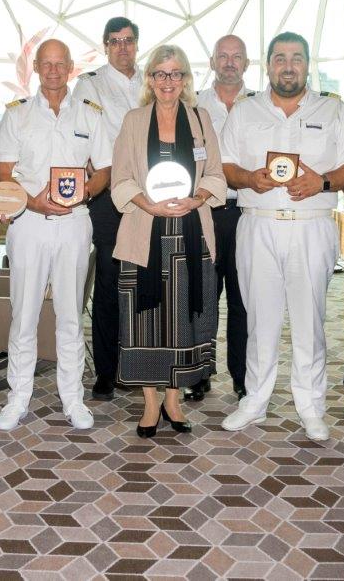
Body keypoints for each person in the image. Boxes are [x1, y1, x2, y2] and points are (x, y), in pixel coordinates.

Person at [219, 31, 344, 441]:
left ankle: (311, 405)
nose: (288, 65)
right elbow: (225, 165)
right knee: (259, 319)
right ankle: (255, 401)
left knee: (309, 319)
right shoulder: (245, 111)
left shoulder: (333, 110)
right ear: (268, 66)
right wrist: (248, 178)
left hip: (311, 227)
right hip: (258, 222)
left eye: (296, 58)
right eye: (280, 58)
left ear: (307, 65)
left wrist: (324, 182)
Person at [0, 39, 111, 431]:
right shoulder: (17, 116)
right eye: (47, 64)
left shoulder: (91, 114)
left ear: (71, 67)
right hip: (28, 223)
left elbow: (105, 170)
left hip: (76, 223)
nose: (54, 71)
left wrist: (86, 191)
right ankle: (18, 397)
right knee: (23, 314)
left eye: (61, 64)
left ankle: (72, 398)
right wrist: (34, 202)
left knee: (70, 316)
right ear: (37, 68)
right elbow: (5, 176)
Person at [110, 45, 226, 437]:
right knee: (145, 322)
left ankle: (174, 400)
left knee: (182, 322)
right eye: (160, 73)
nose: (168, 82)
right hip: (145, 233)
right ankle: (149, 402)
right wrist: (147, 204)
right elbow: (121, 179)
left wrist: (196, 199)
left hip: (190, 236)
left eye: (176, 73)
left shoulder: (199, 118)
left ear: (186, 79)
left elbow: (216, 174)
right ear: (150, 79)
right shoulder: (133, 120)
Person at [72, 17, 143, 401]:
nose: (122, 47)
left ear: (137, 44)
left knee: (148, 284)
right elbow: (85, 139)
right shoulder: (90, 84)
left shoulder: (152, 81)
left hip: (151, 198)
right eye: (114, 41)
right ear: (105, 45)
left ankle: (141, 365)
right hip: (110, 198)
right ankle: (106, 370)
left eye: (128, 41)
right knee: (110, 285)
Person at [187, 34, 255, 403]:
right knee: (202, 297)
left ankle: (242, 376)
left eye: (237, 57)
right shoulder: (193, 106)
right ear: (212, 62)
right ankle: (199, 372)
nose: (230, 62)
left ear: (247, 64)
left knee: (243, 300)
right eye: (223, 56)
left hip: (246, 213)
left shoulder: (261, 108)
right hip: (206, 213)